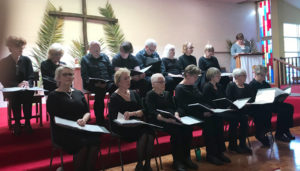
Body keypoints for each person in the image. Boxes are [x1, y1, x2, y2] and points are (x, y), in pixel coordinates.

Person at [175, 65, 230, 166]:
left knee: (217, 118)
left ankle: (219, 152)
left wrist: (209, 108)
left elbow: (201, 99)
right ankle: (211, 154)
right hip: (188, 115)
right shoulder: (179, 88)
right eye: (195, 77)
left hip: (198, 112)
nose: (196, 79)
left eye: (197, 77)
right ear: (187, 75)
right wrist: (203, 113)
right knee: (209, 124)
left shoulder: (193, 86)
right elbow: (184, 108)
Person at [47, 65, 100, 171]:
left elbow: (87, 112)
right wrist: (74, 125)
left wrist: (84, 120)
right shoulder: (53, 96)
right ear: (58, 78)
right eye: (65, 74)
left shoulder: (78, 93)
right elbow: (56, 119)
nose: (68, 77)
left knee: (95, 141)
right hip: (62, 131)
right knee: (82, 144)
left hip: (81, 128)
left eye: (70, 74)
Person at [108, 68, 154, 171]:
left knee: (150, 132)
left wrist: (134, 113)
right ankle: (140, 164)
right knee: (143, 133)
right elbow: (113, 119)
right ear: (118, 82)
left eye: (129, 78)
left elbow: (143, 110)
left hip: (136, 123)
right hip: (122, 127)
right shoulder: (114, 97)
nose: (129, 80)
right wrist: (127, 121)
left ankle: (147, 164)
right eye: (125, 78)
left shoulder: (134, 93)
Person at [145, 73, 191, 171]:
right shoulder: (150, 95)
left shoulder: (167, 93)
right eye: (160, 82)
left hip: (170, 118)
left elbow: (174, 107)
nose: (163, 84)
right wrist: (168, 120)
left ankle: (186, 158)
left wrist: (176, 115)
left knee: (187, 128)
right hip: (158, 121)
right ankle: (177, 161)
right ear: (153, 84)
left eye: (164, 81)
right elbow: (152, 112)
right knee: (176, 131)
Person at [203, 67, 251, 154]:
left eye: (219, 75)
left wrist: (228, 106)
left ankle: (241, 145)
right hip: (215, 111)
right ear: (212, 76)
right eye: (218, 75)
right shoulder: (207, 87)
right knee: (235, 119)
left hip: (223, 110)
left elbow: (224, 99)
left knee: (243, 118)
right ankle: (233, 145)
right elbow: (207, 101)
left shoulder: (219, 86)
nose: (220, 77)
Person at [226, 68, 271, 146]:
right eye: (243, 75)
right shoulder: (231, 85)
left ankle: (242, 145)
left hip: (244, 109)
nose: (245, 77)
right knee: (234, 122)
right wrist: (238, 103)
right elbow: (229, 100)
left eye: (245, 75)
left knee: (244, 120)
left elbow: (251, 98)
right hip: (234, 110)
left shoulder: (246, 86)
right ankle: (232, 146)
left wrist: (249, 103)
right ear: (236, 77)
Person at [249, 65, 295, 142]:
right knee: (281, 110)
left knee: (289, 107)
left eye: (265, 75)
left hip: (269, 104)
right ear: (256, 74)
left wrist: (279, 97)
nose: (264, 77)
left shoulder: (266, 84)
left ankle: (284, 130)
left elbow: (271, 95)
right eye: (262, 75)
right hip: (259, 106)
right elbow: (252, 100)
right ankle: (279, 133)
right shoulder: (251, 85)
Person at [0, 36, 34, 135]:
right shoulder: (4, 62)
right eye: (18, 47)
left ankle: (27, 122)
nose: (21, 49)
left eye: (22, 47)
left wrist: (28, 83)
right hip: (11, 90)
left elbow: (31, 76)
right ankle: (17, 123)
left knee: (28, 94)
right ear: (11, 48)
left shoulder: (27, 60)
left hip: (25, 89)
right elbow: (3, 79)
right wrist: (17, 85)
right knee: (15, 96)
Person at [81, 40, 115, 125]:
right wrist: (95, 83)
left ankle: (113, 116)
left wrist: (111, 81)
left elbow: (111, 71)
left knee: (117, 89)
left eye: (98, 49)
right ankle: (100, 120)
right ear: (90, 49)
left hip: (107, 82)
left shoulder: (105, 57)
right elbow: (84, 76)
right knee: (100, 91)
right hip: (93, 84)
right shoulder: (85, 59)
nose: (97, 51)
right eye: (94, 49)